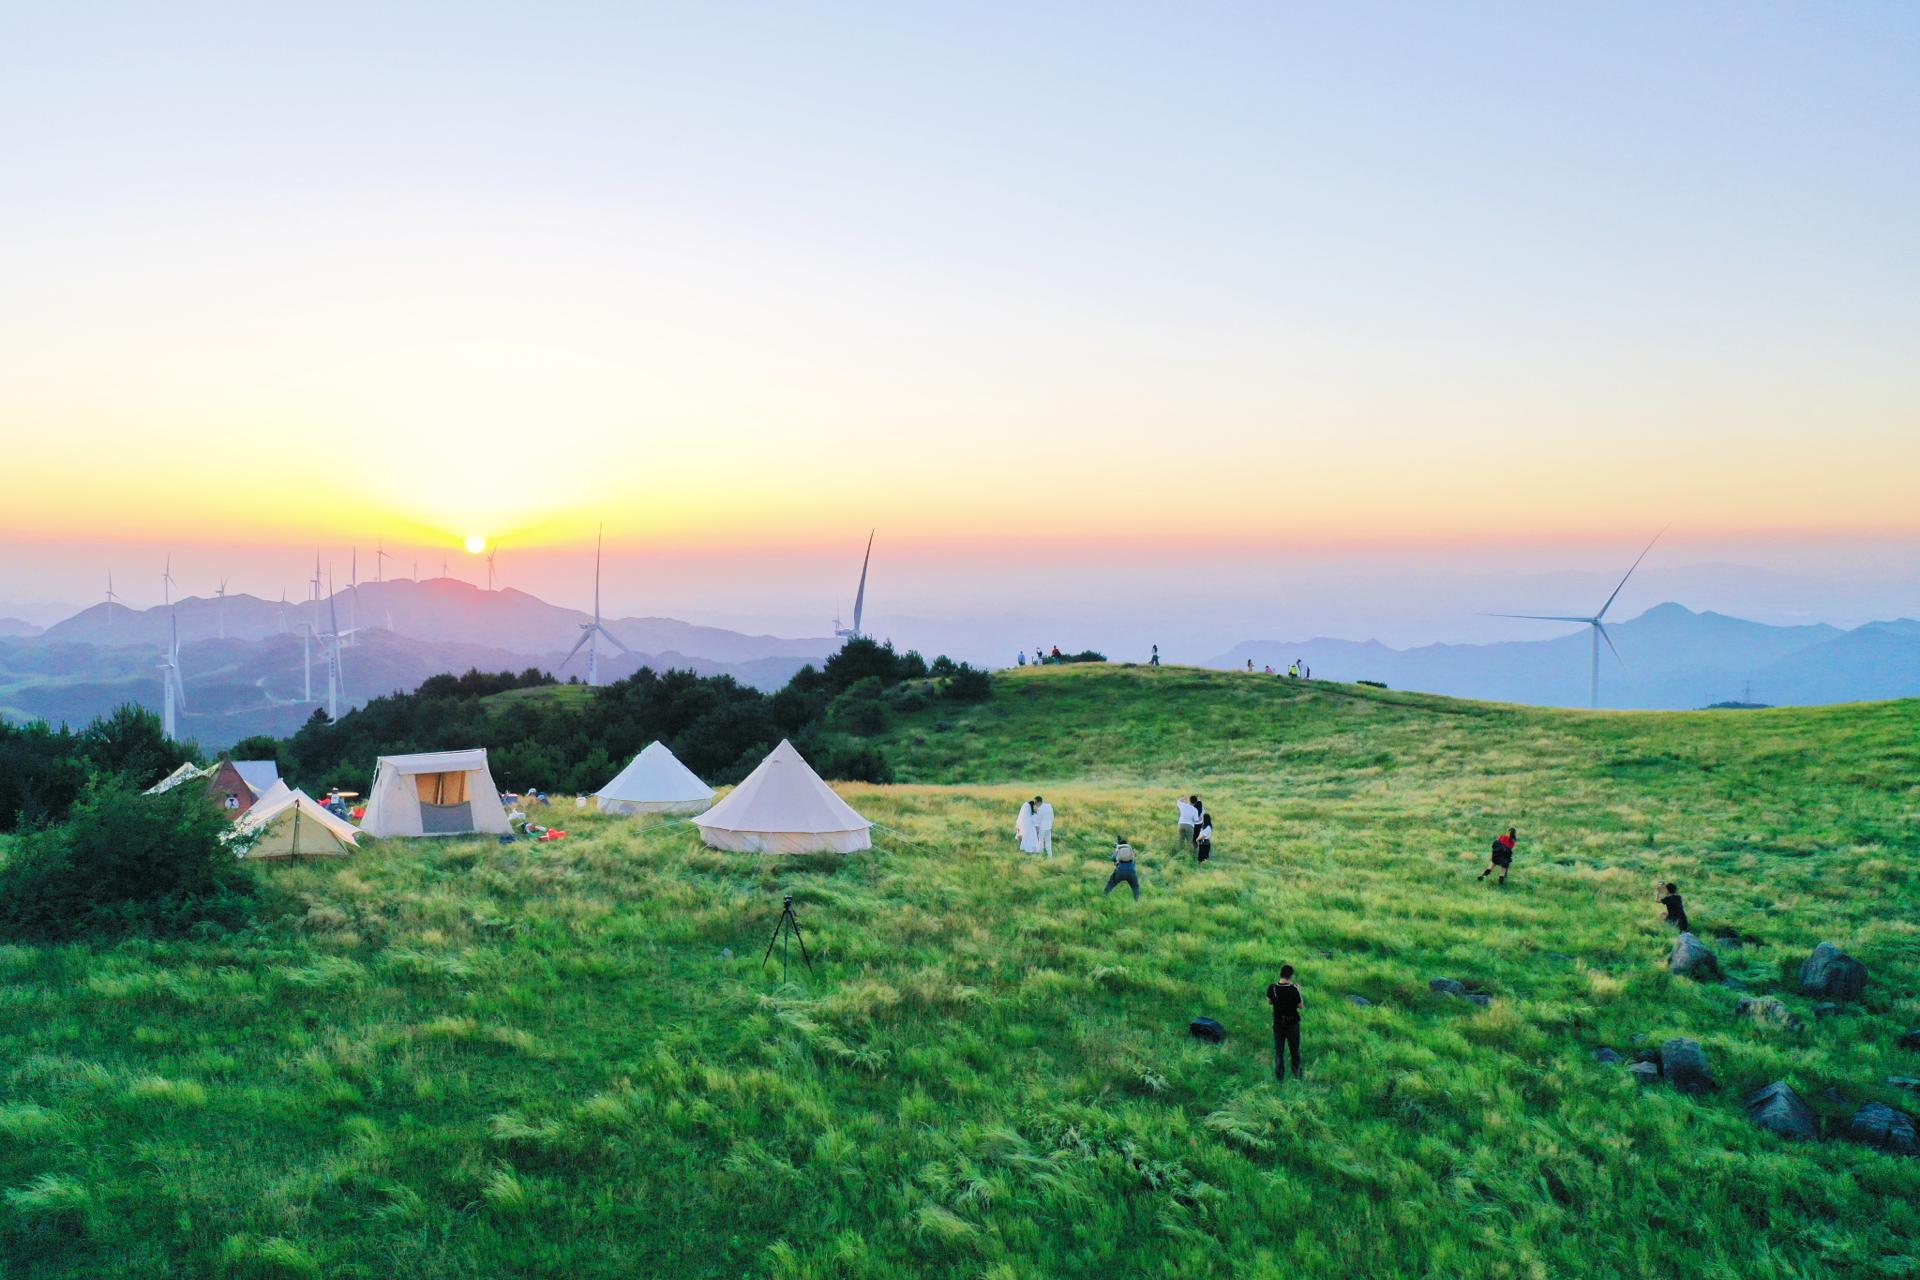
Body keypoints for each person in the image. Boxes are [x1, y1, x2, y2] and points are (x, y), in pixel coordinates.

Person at [1266, 964, 1304, 1081]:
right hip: (1292, 1024)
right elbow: (1301, 1006)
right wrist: (1299, 991)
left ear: (1280, 974)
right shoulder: (1293, 989)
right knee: (1294, 1049)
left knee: (1279, 1050)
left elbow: (1269, 1002)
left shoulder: (1272, 988)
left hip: (1278, 1023)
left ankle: (1279, 1076)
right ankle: (1296, 1073)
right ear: (1291, 976)